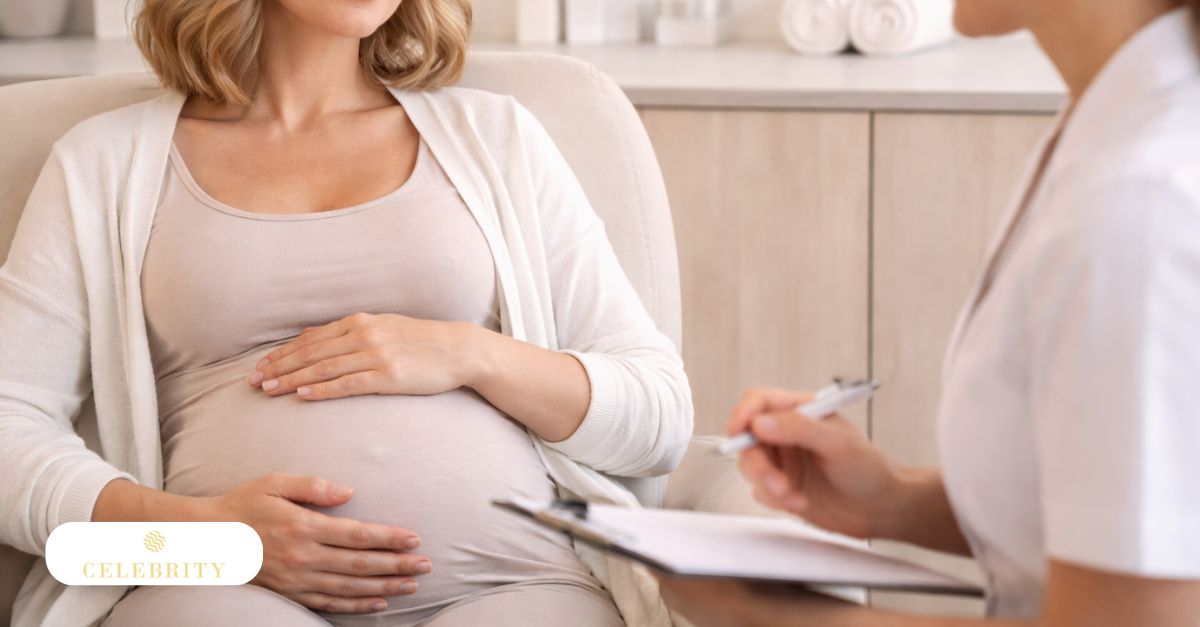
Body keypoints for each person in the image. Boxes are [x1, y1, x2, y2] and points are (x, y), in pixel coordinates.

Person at [0, 1, 693, 626]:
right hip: (215, 588)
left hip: (519, 585)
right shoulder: (102, 162)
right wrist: (203, 541)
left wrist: (468, 353)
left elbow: (658, 415)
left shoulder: (500, 139)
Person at [657, 0, 1200, 626]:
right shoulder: (1110, 128)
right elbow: (1135, 513)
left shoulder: (1143, 210)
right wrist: (893, 501)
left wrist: (776, 617)